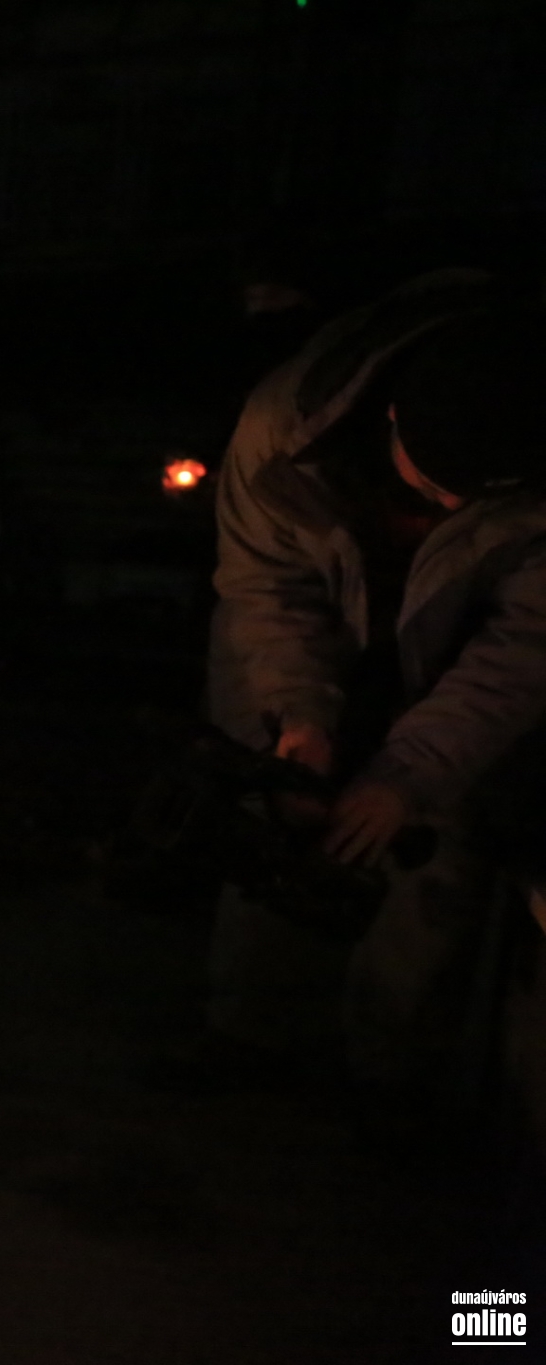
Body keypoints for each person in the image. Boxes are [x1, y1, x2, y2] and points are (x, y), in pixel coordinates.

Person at [205, 273, 546, 1109]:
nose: (447, 507)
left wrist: (413, 771)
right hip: (319, 649)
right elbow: (265, 587)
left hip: (451, 677)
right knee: (278, 823)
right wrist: (298, 722)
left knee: (434, 855)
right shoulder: (282, 428)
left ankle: (391, 1082)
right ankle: (251, 1042)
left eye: (474, 499)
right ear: (390, 414)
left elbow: (528, 643)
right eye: (431, 488)